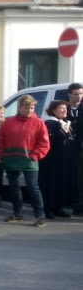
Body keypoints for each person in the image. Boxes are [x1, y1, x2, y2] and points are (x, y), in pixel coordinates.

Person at [0, 94, 50, 227]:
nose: (29, 110)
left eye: (32, 108)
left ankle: (40, 216)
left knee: (32, 187)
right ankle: (17, 213)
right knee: (14, 187)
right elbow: (0, 140)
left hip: (30, 160)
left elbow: (44, 143)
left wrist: (35, 155)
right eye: (26, 108)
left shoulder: (38, 123)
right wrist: (2, 155)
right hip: (11, 160)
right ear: (19, 108)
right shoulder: (8, 122)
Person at [39, 100, 77, 218]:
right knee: (51, 183)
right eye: (61, 108)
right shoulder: (50, 123)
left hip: (64, 160)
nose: (65, 110)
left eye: (66, 108)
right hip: (52, 160)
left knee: (62, 183)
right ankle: (48, 208)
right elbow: (50, 140)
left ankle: (59, 207)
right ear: (53, 110)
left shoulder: (66, 123)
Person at [66, 83, 83, 213]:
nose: (79, 96)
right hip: (66, 148)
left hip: (81, 148)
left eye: (81, 94)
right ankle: (68, 202)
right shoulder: (63, 108)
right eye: (76, 94)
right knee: (68, 174)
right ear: (69, 94)